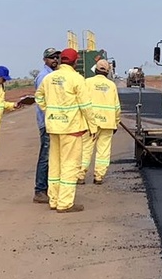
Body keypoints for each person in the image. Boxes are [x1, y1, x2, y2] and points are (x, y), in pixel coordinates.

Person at [36, 49, 98, 212]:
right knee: (70, 165)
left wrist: (48, 111)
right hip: (71, 128)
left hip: (53, 127)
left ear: (61, 60)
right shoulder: (77, 79)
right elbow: (85, 105)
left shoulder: (49, 78)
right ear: (75, 62)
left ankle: (54, 200)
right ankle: (65, 203)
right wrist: (93, 126)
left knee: (55, 164)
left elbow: (39, 97)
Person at [79, 59, 122, 185]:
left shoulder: (87, 83)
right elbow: (117, 107)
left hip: (90, 123)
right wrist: (116, 122)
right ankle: (99, 177)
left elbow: (82, 102)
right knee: (103, 151)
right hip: (108, 123)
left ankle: (80, 176)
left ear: (95, 70)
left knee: (86, 149)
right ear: (107, 72)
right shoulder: (111, 86)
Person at [32, 48, 61, 203]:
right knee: (46, 156)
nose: (55, 59)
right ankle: (40, 190)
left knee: (52, 157)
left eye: (57, 57)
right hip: (47, 123)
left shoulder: (52, 75)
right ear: (45, 60)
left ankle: (49, 188)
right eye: (51, 57)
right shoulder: (44, 77)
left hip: (53, 122)